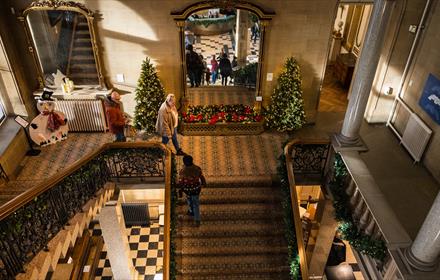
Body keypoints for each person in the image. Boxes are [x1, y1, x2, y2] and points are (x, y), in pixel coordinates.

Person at [179, 155, 206, 227]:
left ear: (184, 163)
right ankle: (196, 218)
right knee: (195, 203)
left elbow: (181, 182)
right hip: (196, 189)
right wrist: (204, 183)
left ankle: (192, 212)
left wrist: (181, 190)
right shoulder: (197, 168)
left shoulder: (183, 171)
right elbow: (201, 176)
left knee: (189, 199)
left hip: (187, 190)